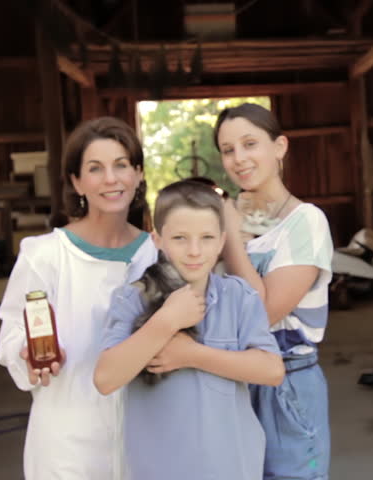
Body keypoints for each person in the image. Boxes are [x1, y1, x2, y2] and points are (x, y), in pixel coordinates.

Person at [0, 116, 157, 479]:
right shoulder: (46, 254)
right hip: (67, 442)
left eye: (121, 166)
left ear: (138, 174)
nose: (111, 179)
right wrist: (29, 356)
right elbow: (11, 337)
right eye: (95, 169)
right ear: (76, 181)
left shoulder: (155, 254)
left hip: (144, 437)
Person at [94, 180, 285, 480]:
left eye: (206, 237)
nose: (194, 251)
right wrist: (166, 321)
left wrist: (192, 354)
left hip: (232, 467)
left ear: (222, 242)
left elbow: (272, 370)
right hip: (158, 470)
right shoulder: (132, 297)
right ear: (157, 239)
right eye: (180, 238)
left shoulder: (238, 297)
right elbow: (105, 379)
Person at [214, 103, 335, 480]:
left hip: (286, 386)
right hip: (225, 380)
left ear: (280, 147)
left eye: (250, 144)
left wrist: (230, 237)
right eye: (228, 149)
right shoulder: (221, 222)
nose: (239, 158)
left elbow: (261, 314)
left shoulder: (306, 222)